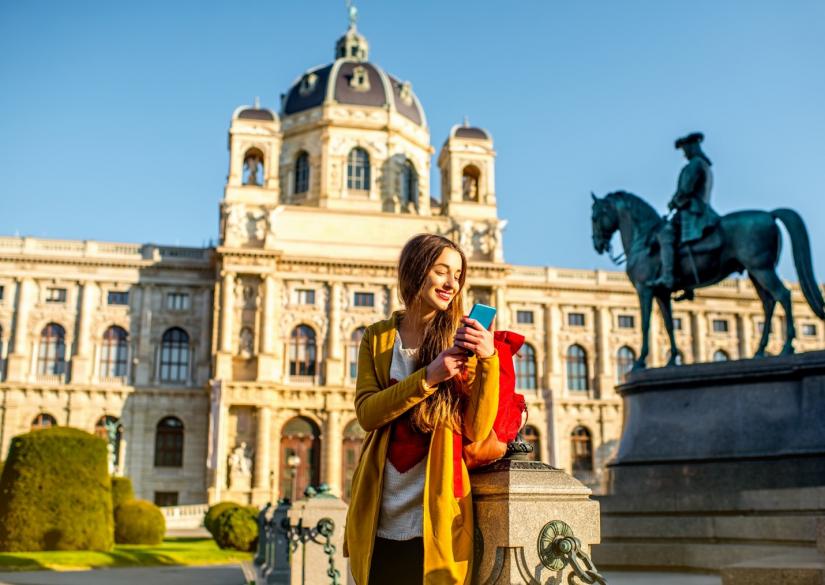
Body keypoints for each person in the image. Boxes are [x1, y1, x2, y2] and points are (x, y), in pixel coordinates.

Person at [343, 233, 500, 585]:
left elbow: (476, 429)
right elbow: (367, 414)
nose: (451, 284)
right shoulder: (377, 337)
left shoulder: (461, 340)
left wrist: (489, 359)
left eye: (457, 276)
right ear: (416, 270)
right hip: (378, 519)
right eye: (442, 271)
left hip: (437, 518)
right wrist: (428, 377)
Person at [648, 132, 719, 289]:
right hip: (702, 209)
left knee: (664, 235)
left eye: (685, 150)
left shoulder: (694, 165)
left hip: (693, 212)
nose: (684, 154)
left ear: (692, 148)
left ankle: (668, 276)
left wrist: (673, 202)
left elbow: (685, 189)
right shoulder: (704, 165)